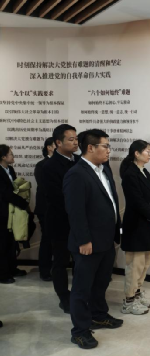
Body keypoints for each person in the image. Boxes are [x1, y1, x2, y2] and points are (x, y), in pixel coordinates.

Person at [64, 129, 122, 349]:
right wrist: (84, 240)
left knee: (101, 283)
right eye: (105, 146)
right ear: (90, 147)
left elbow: (111, 201)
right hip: (88, 244)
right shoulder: (76, 174)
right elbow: (75, 211)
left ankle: (98, 315)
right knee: (82, 289)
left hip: (106, 240)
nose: (108, 150)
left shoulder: (103, 169)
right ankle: (80, 331)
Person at [120, 140, 150, 315]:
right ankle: (128, 301)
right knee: (135, 264)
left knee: (144, 263)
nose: (149, 154)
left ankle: (137, 294)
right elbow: (137, 201)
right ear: (136, 153)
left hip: (147, 223)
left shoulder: (144, 171)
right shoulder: (130, 174)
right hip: (136, 224)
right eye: (147, 151)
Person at [42, 124, 80, 312]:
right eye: (71, 139)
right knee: (61, 261)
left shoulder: (80, 161)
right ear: (58, 142)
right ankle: (64, 297)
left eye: (76, 138)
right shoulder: (48, 166)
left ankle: (80, 294)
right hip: (60, 222)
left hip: (80, 222)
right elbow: (56, 197)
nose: (75, 142)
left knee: (81, 261)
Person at [0, 145, 29, 284]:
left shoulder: (10, 169)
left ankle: (12, 268)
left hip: (12, 213)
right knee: (3, 243)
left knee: (12, 243)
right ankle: (3, 274)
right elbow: (6, 193)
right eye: (10, 154)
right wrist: (22, 203)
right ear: (3, 157)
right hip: (2, 213)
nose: (13, 156)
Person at [34, 137, 56, 282]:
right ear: (49, 147)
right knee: (47, 240)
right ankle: (45, 270)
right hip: (46, 209)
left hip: (59, 209)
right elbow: (45, 188)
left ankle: (57, 268)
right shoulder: (42, 165)